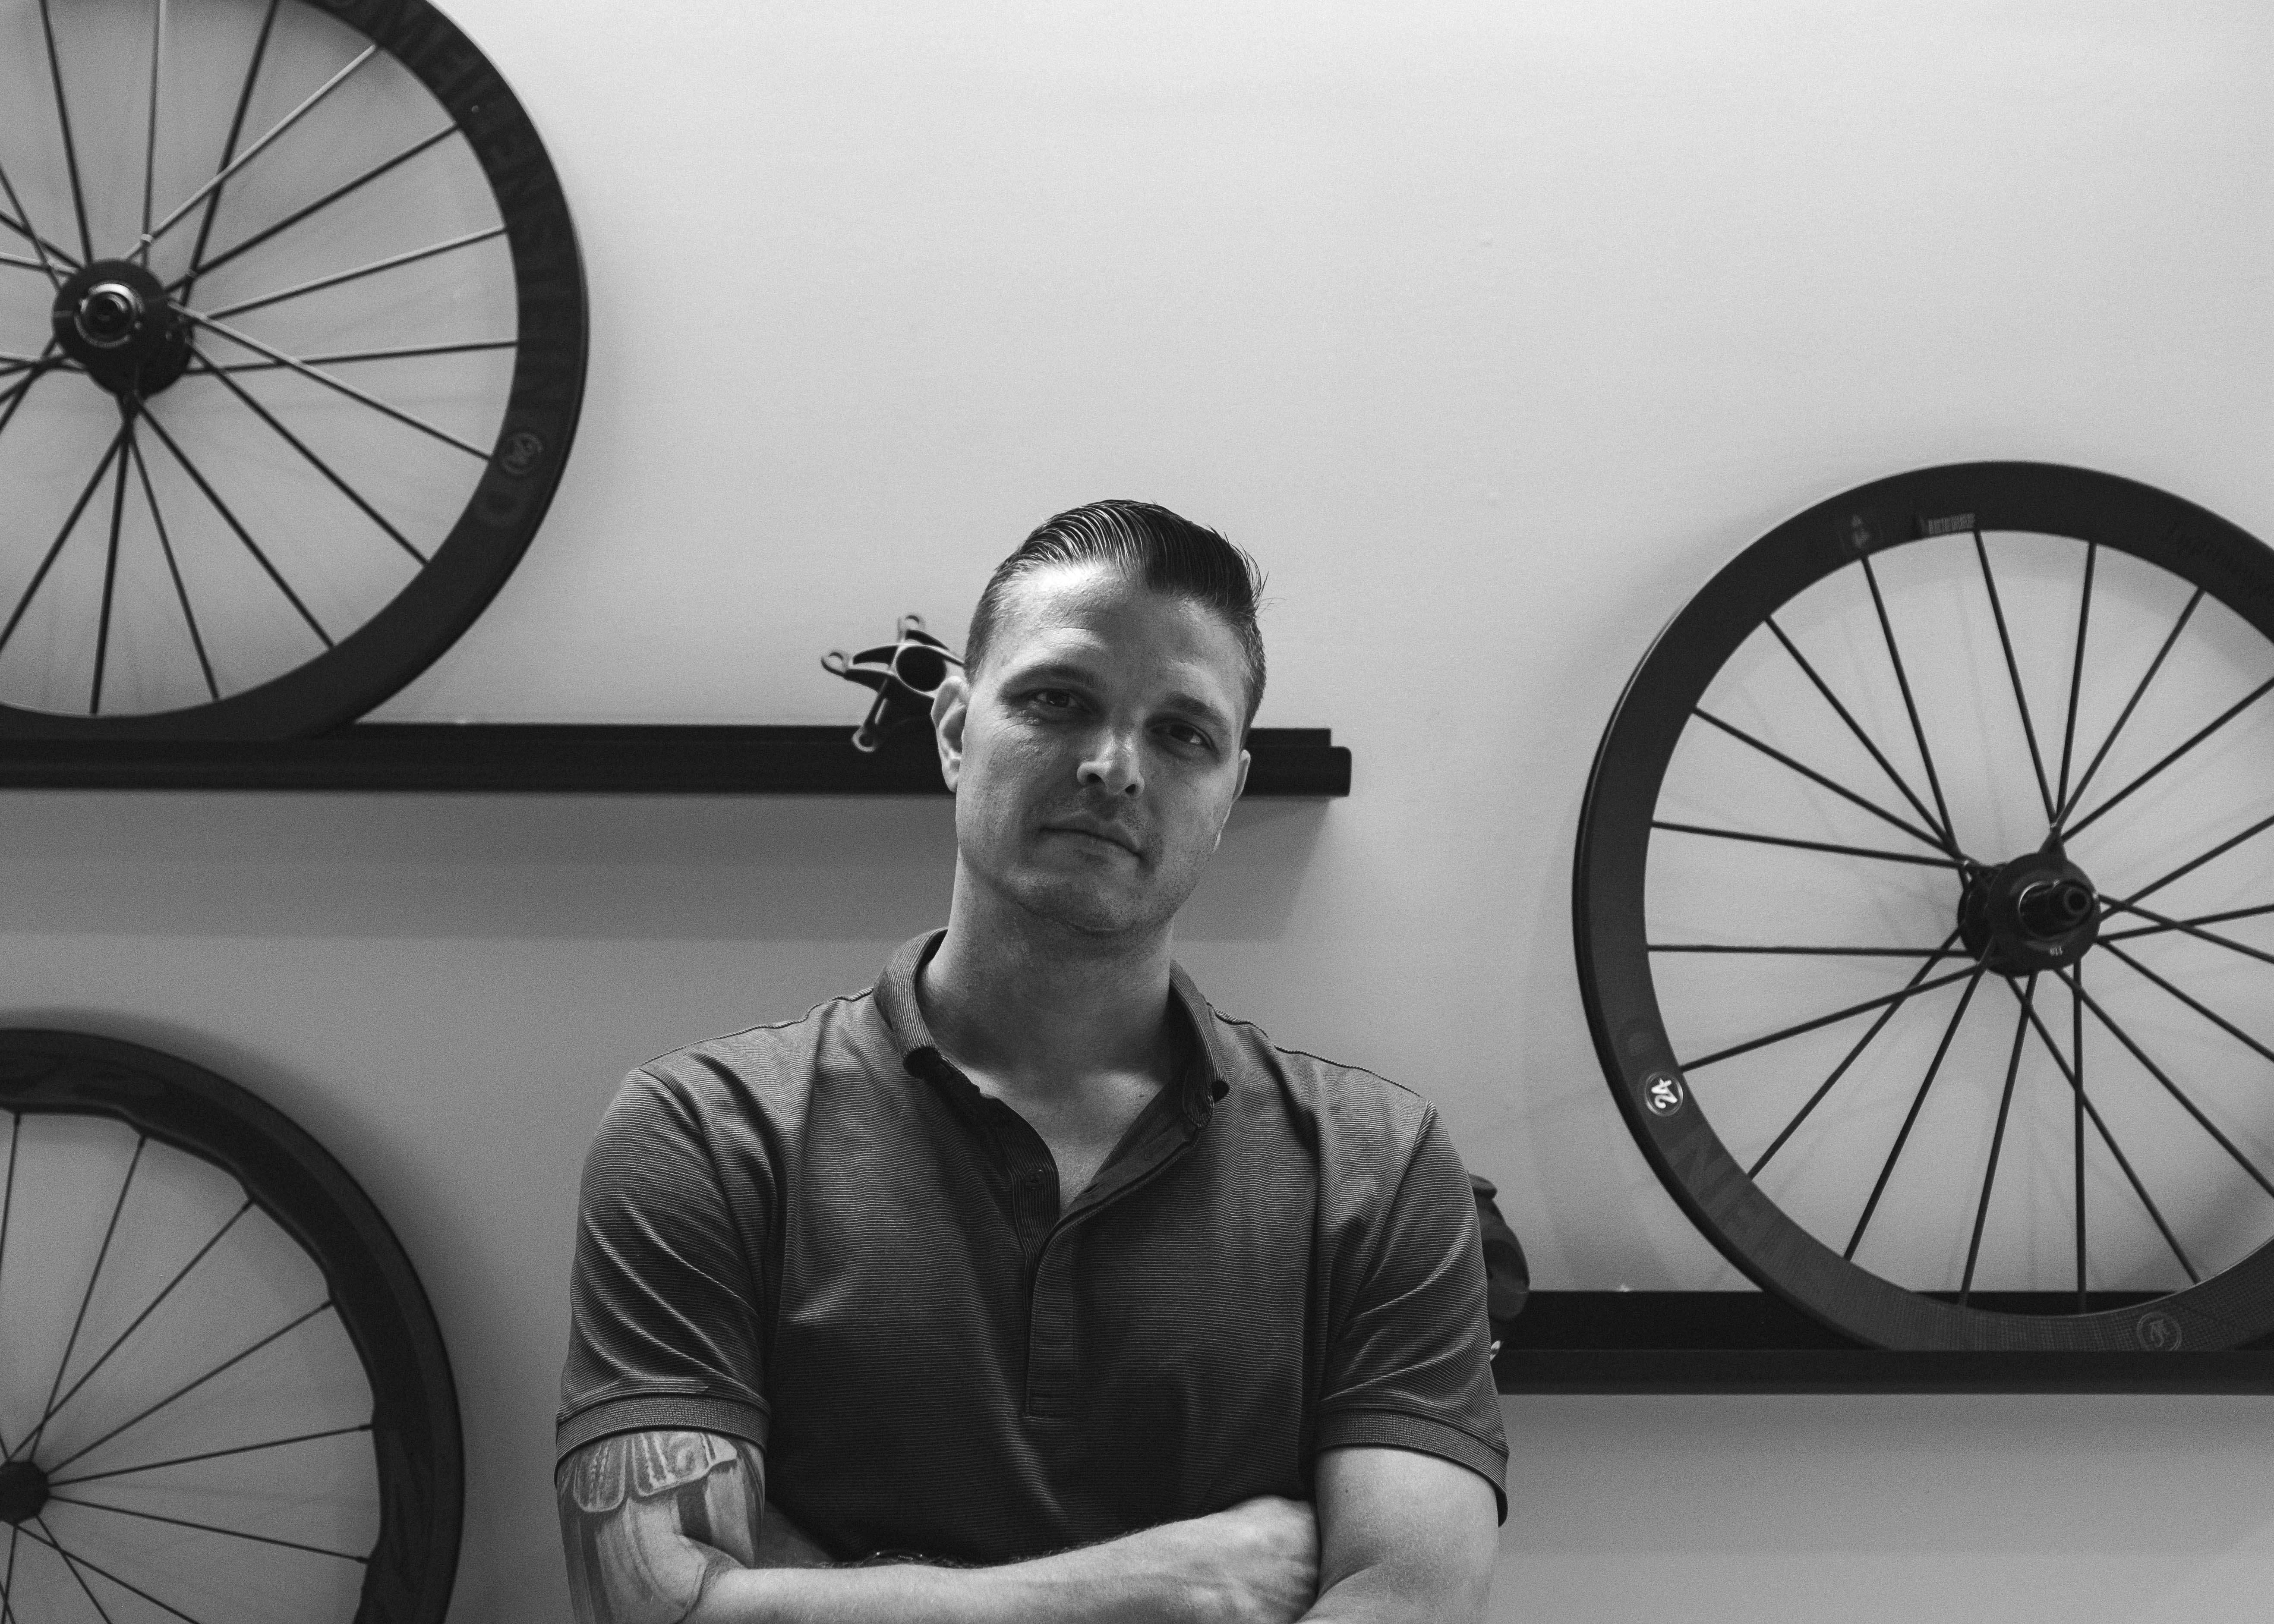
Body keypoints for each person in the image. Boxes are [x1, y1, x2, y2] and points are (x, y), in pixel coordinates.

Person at [555, 500, 1507, 1624]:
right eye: (1059, 702)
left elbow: (1405, 1597)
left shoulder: (1382, 1168)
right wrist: (1170, 1583)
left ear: (1230, 791)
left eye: (1182, 733)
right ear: (957, 728)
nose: (1113, 765)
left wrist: (820, 1593)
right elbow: (656, 1607)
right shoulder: (707, 1134)